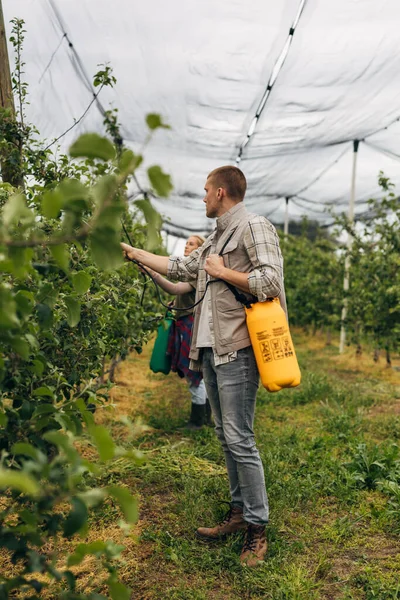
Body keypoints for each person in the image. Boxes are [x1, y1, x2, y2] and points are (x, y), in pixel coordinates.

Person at [121, 165, 286, 567]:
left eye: (206, 190)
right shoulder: (216, 237)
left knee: (240, 437)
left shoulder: (254, 226)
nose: (203, 197)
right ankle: (237, 512)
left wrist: (223, 271)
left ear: (222, 192)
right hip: (211, 348)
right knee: (224, 434)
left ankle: (257, 529)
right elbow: (181, 270)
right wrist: (136, 253)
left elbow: (271, 280)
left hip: (239, 347)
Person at [145, 235, 212, 428]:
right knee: (199, 374)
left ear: (199, 250)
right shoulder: (193, 272)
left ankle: (197, 421)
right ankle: (206, 418)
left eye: (191, 244)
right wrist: (176, 305)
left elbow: (175, 288)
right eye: (186, 243)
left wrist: (153, 273)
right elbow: (185, 297)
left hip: (190, 326)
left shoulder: (195, 273)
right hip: (189, 323)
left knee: (194, 374)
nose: (186, 247)